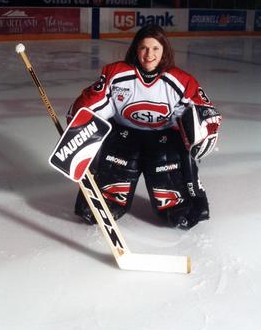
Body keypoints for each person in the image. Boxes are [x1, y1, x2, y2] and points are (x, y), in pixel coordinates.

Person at [67, 25, 221, 229]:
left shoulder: (182, 81)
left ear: (164, 50)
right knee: (110, 190)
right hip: (123, 138)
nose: (149, 54)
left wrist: (203, 131)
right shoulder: (116, 73)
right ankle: (108, 196)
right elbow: (92, 104)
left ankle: (182, 199)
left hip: (163, 141)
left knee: (174, 204)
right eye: (144, 48)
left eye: (156, 48)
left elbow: (203, 110)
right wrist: (80, 125)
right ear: (135, 49)